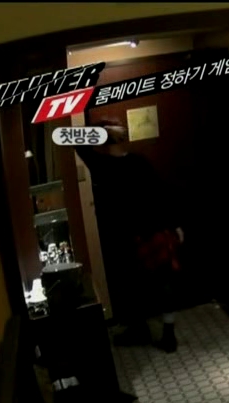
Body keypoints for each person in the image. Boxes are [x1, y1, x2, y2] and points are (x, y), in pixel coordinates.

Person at [76, 118, 184, 352]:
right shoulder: (120, 163)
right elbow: (161, 192)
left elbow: (160, 192)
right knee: (142, 285)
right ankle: (152, 331)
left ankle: (156, 332)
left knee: (151, 284)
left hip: (141, 232)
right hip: (137, 233)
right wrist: (102, 131)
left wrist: (174, 223)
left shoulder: (115, 163)